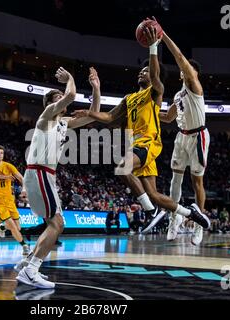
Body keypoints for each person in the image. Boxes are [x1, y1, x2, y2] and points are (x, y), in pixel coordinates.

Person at [72, 22, 210, 236]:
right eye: (141, 70)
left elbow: (156, 76)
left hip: (149, 143)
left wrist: (153, 47)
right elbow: (109, 117)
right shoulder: (129, 98)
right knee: (154, 193)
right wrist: (90, 113)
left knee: (122, 166)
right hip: (139, 145)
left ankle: (152, 211)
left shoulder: (156, 91)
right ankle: (189, 213)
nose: (142, 73)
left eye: (146, 71)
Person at [16, 66, 101, 289]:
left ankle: (28, 263)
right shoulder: (46, 117)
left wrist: (96, 88)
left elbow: (93, 114)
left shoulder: (63, 123)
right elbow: (71, 95)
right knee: (57, 223)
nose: (64, 99)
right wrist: (70, 78)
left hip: (46, 175)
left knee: (52, 224)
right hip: (39, 172)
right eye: (58, 98)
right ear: (51, 105)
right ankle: (31, 269)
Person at [159, 27, 210, 245]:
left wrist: (163, 35)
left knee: (196, 181)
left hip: (198, 136)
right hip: (181, 136)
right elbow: (168, 118)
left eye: (187, 67)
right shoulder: (179, 94)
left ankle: (199, 224)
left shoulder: (194, 85)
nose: (183, 69)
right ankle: (174, 218)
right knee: (175, 178)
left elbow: (179, 56)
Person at [0, 145, 29, 255]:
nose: (0, 155)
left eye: (2, 153)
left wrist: (24, 189)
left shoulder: (8, 166)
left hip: (9, 200)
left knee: (18, 227)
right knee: (11, 225)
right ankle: (24, 246)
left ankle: (0, 226)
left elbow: (21, 178)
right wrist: (6, 177)